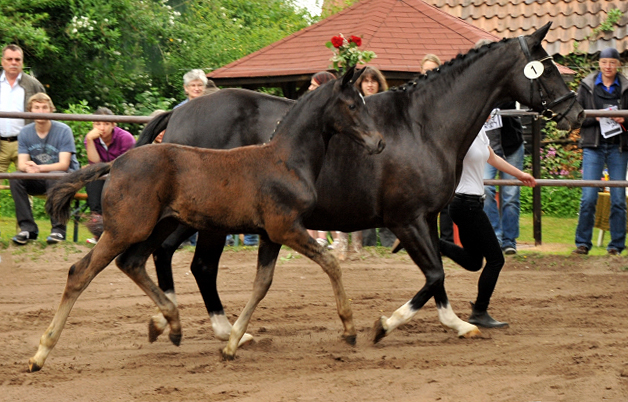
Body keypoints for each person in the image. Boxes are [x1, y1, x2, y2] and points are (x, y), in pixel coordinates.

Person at [439, 125, 536, 328]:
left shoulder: (480, 131)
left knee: (474, 262)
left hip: (471, 203)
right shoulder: (462, 132)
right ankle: (480, 312)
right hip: (466, 204)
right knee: (496, 260)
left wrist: (520, 174)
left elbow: (492, 158)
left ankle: (433, 244)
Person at [573, 47, 628, 256]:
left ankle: (616, 245)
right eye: (605, 62)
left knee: (618, 198)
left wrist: (625, 119)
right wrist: (594, 117)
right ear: (599, 64)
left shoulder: (625, 87)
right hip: (593, 147)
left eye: (612, 63)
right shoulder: (586, 86)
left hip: (618, 147)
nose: (608, 66)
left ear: (618, 64)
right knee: (588, 197)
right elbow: (575, 116)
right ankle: (582, 243)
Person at [10, 93, 80, 245]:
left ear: (51, 110)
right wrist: (28, 168)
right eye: (36, 107)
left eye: (44, 107)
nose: (40, 111)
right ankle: (28, 229)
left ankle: (58, 231)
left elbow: (64, 164)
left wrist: (38, 168)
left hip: (64, 178)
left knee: (54, 176)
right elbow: (22, 163)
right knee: (15, 177)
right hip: (40, 176)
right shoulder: (25, 132)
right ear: (30, 110)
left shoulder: (63, 130)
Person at [350, 66, 396, 250]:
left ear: (379, 83)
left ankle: (389, 245)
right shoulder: (355, 106)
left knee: (388, 202)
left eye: (373, 80)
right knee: (365, 204)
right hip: (361, 161)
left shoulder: (387, 103)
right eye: (366, 81)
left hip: (385, 160)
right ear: (360, 84)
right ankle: (367, 246)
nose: (370, 85)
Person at [83, 107, 136, 244]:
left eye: (106, 124)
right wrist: (89, 140)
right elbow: (94, 162)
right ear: (93, 125)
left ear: (114, 125)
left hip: (125, 176)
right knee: (92, 173)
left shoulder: (125, 138)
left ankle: (117, 233)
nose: (102, 128)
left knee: (104, 177)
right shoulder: (91, 138)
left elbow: (127, 165)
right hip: (103, 175)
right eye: (98, 124)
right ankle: (98, 223)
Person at [483, 101, 525, 255]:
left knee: (511, 195)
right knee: (485, 189)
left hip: (511, 146)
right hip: (487, 149)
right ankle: (495, 238)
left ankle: (509, 241)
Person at [0, 44, 46, 173]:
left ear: (22, 62)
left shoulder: (34, 85)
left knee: (27, 182)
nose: (13, 63)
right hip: (1, 143)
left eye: (17, 59)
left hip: (25, 143)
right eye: (9, 59)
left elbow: (46, 112)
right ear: (2, 62)